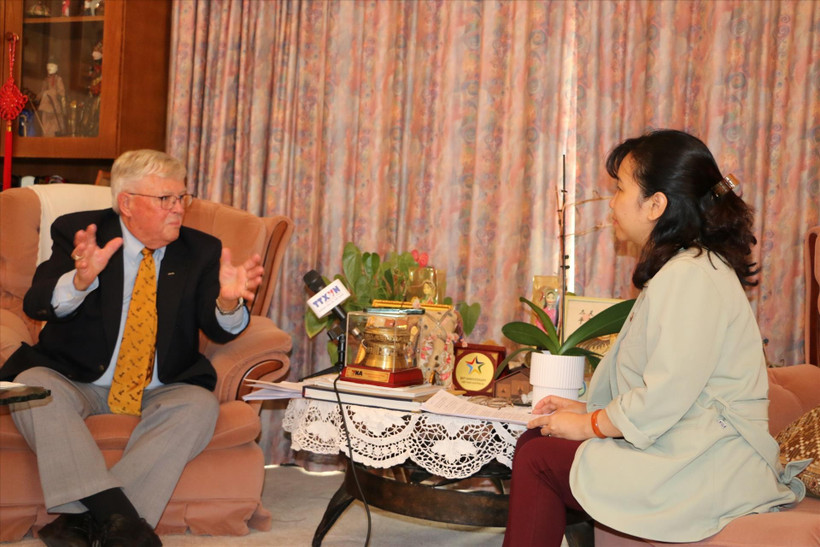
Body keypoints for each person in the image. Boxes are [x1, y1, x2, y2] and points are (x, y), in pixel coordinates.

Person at [503, 130, 807, 546]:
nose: (611, 203)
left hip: (709, 465)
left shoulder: (691, 275)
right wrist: (584, 409)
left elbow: (665, 395)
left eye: (619, 189)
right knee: (537, 440)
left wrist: (588, 424)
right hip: (689, 443)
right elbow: (667, 387)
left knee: (538, 456)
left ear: (655, 205)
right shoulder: (688, 268)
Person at [2, 150, 264, 547]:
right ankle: (122, 521)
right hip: (75, 377)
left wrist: (228, 304)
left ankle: (80, 522)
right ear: (126, 203)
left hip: (162, 384)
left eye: (182, 198)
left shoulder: (201, 250)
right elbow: (37, 303)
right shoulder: (76, 232)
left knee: (198, 406)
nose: (179, 208)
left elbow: (220, 329)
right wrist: (78, 281)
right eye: (166, 199)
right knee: (33, 388)